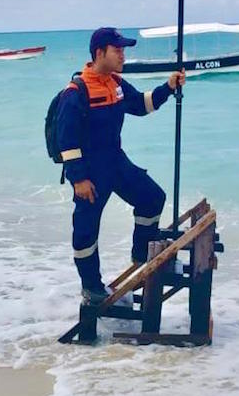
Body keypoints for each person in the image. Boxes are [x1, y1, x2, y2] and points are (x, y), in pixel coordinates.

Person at [54, 27, 185, 305]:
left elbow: (141, 105)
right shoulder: (76, 92)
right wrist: (78, 179)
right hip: (90, 173)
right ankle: (91, 287)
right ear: (100, 53)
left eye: (124, 50)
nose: (123, 56)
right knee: (86, 231)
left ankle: (141, 255)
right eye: (118, 50)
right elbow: (66, 139)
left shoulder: (115, 83)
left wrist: (169, 87)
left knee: (153, 198)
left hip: (116, 162)